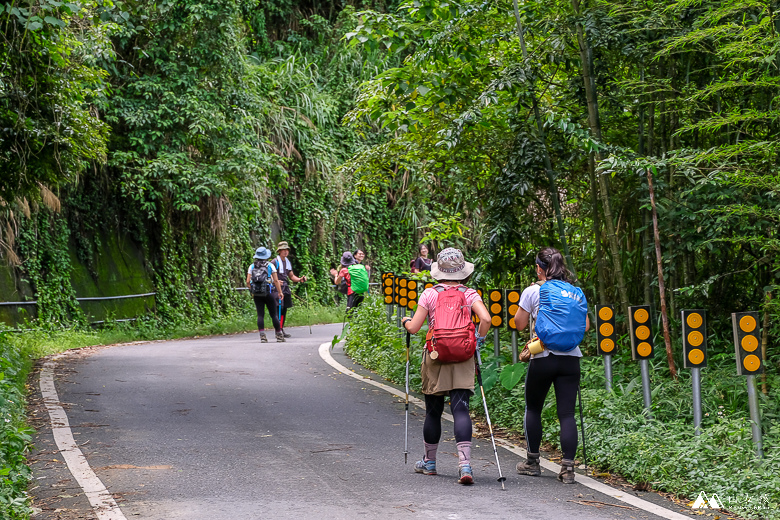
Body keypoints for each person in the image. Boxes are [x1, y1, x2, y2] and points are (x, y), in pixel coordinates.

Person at [401, 248, 490, 485]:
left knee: (433, 410)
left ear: (439, 271)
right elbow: (487, 319)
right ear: (462, 272)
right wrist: (478, 340)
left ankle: (429, 463)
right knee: (460, 409)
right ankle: (465, 465)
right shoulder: (470, 293)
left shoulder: (429, 294)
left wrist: (406, 321)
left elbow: (414, 328)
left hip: (435, 355)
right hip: (463, 355)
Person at [513, 247, 590, 484]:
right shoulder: (575, 292)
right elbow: (585, 326)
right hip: (571, 358)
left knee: (533, 408)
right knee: (566, 413)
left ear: (539, 268)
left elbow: (519, 323)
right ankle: (567, 469)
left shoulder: (533, 291)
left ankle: (532, 462)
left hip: (543, 356)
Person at [245, 247, 285, 343]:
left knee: (260, 315)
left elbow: (247, 281)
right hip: (268, 292)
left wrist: (253, 291)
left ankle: (262, 336)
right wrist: (280, 292)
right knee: (274, 314)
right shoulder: (270, 265)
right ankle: (279, 335)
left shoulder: (252, 266)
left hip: (257, 294)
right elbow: (275, 280)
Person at [272, 241, 307, 338]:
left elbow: (291, 276)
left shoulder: (287, 262)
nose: (285, 252)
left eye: (286, 249)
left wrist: (300, 279)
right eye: (283, 250)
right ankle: (277, 330)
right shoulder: (274, 262)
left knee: (284, 309)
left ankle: (281, 328)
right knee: (279, 308)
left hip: (285, 287)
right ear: (279, 251)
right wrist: (276, 281)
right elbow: (268, 274)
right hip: (277, 288)